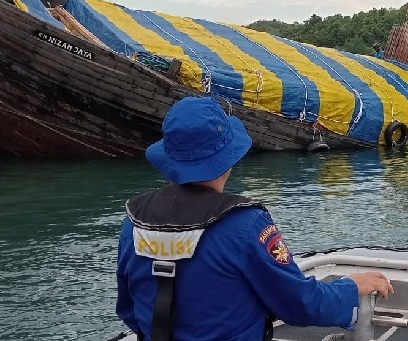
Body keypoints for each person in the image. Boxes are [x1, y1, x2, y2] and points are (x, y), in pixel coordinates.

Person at [116, 97, 393, 341]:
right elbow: (299, 304)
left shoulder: (134, 222)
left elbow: (129, 310)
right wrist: (350, 287)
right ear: (229, 159)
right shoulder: (246, 225)